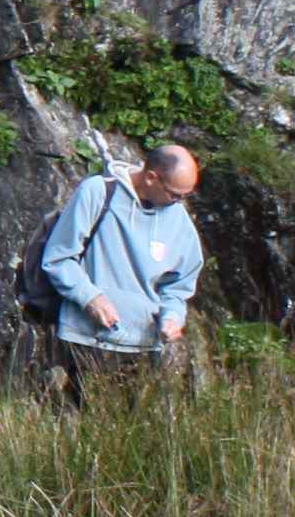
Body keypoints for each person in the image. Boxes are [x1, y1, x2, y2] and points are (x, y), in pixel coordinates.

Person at [39, 139, 203, 399]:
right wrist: (90, 298)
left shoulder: (179, 221)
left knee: (131, 425)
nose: (179, 202)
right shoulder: (98, 192)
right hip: (84, 340)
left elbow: (179, 286)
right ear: (151, 177)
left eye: (185, 195)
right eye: (175, 194)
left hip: (143, 349)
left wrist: (172, 317)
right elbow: (58, 258)